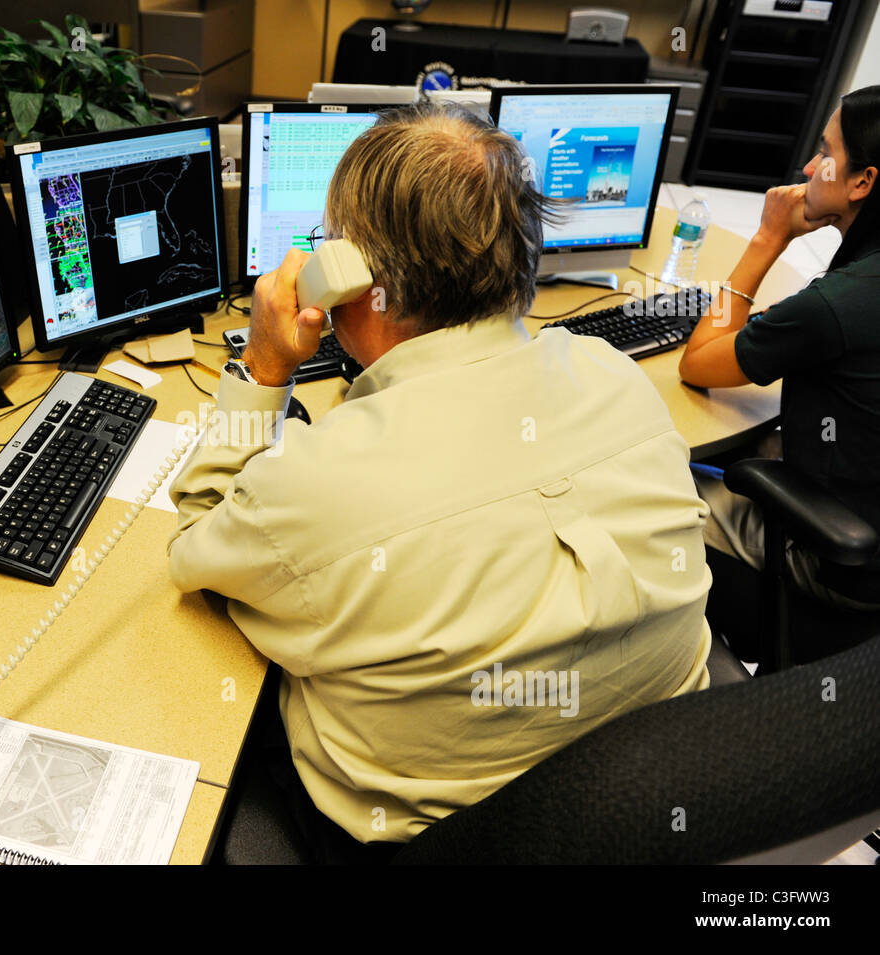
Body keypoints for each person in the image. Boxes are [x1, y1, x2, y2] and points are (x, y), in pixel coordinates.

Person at [166, 103, 712, 859]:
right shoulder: (611, 373)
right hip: (644, 801)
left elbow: (198, 537)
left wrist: (264, 367)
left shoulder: (320, 485)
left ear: (353, 279)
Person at [679, 86, 880, 631]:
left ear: (862, 183)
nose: (810, 166)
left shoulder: (837, 305)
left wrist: (768, 237)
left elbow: (697, 363)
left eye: (827, 154)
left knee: (647, 498)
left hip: (833, 565)